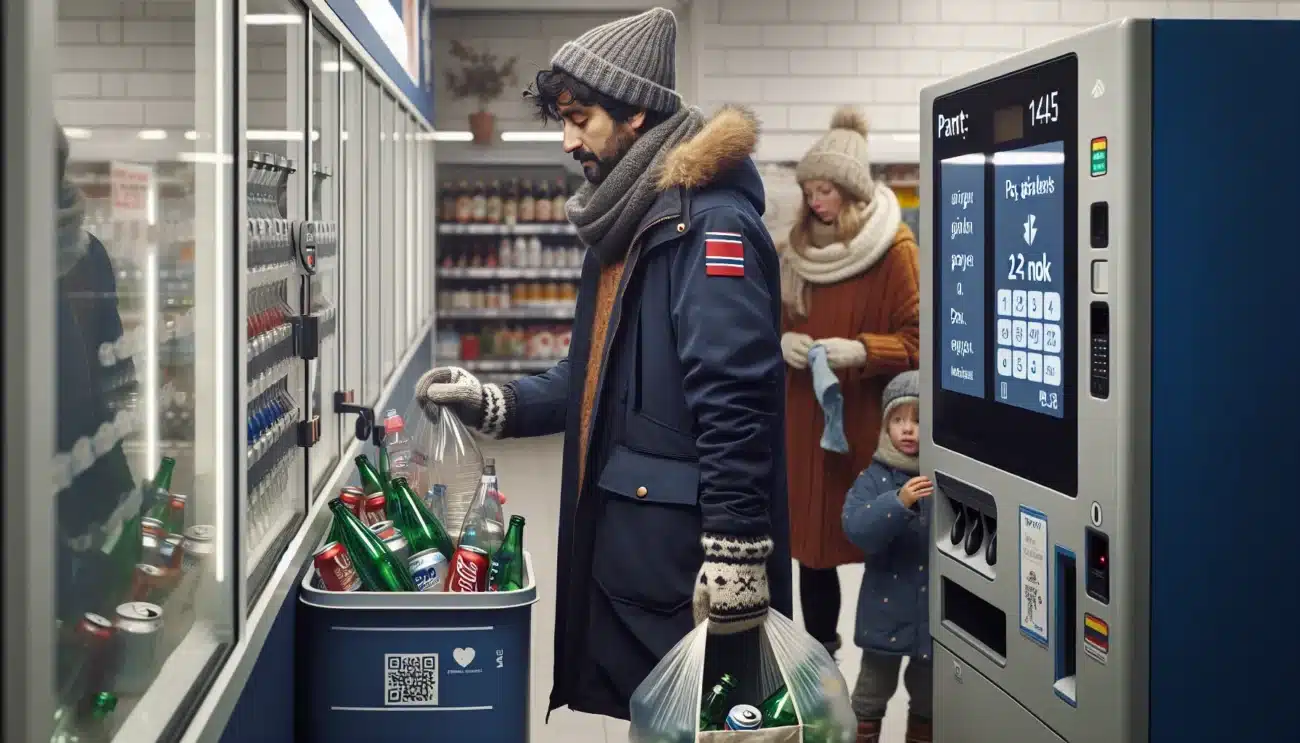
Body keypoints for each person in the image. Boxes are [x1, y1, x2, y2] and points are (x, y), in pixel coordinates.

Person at [415, 6, 792, 722]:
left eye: (580, 117)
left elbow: (737, 396)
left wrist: (739, 550)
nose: (567, 139)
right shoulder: (631, 220)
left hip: (690, 565)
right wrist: (494, 400)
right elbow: (591, 380)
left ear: (637, 113)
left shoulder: (706, 225)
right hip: (640, 554)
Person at [778, 107, 920, 657]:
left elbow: (919, 340)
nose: (816, 202)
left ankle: (886, 655)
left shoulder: (894, 251)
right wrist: (780, 342)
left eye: (827, 190)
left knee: (875, 539)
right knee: (810, 547)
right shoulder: (794, 253)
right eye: (810, 190)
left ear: (853, 193)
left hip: (864, 426)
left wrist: (862, 349)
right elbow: (776, 320)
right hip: (802, 423)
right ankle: (821, 655)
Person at [841, 370, 932, 743]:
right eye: (898, 420)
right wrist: (899, 502)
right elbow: (858, 528)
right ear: (885, 425)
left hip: (931, 620)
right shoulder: (873, 477)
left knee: (929, 700)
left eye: (919, 420)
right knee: (870, 694)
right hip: (886, 613)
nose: (908, 429)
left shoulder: (942, 474)